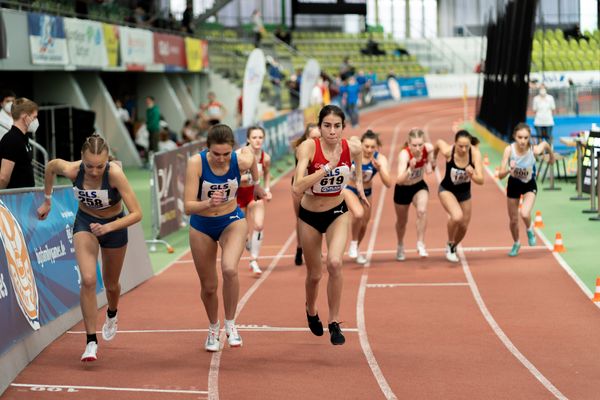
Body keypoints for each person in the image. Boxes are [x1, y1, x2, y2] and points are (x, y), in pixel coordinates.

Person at [36, 134, 142, 361]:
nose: (94, 171)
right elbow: (51, 166)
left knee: (112, 285)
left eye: (100, 166)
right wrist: (47, 198)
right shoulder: (74, 170)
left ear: (108, 161)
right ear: (82, 160)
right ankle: (91, 341)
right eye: (89, 166)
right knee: (88, 279)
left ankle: (112, 313)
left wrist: (110, 227)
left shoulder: (115, 174)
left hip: (114, 226)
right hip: (85, 223)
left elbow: (137, 214)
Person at [184, 124, 267, 352]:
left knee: (230, 269)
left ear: (233, 150)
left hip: (231, 219)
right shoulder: (196, 163)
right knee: (209, 286)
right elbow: (187, 206)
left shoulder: (241, 158)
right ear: (207, 149)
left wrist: (257, 186)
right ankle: (213, 327)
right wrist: (208, 203)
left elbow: (253, 161)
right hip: (201, 225)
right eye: (216, 154)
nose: (221, 159)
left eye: (226, 154)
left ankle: (231, 324)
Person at [292, 105, 368, 345]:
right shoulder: (309, 147)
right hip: (310, 215)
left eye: (337, 126)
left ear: (343, 128)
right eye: (327, 126)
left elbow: (358, 158)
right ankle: (311, 309)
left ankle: (334, 322)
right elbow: (296, 187)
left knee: (335, 263)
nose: (332, 131)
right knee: (315, 274)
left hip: (337, 212)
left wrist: (359, 185)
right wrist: (327, 167)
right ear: (320, 127)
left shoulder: (351, 146)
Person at [498, 123, 553, 256]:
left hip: (529, 184)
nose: (522, 141)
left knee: (524, 213)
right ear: (514, 137)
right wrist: (508, 170)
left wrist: (551, 156)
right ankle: (516, 243)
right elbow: (500, 175)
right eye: (520, 137)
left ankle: (529, 229)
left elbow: (545, 144)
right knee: (513, 220)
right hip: (513, 184)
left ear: (529, 138)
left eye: (525, 138)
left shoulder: (534, 150)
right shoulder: (509, 150)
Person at [434, 130, 484, 263]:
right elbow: (438, 143)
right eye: (460, 146)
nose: (463, 149)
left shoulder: (475, 154)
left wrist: (472, 175)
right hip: (447, 189)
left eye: (466, 146)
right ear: (455, 143)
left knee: (463, 226)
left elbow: (481, 180)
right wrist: (433, 159)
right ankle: (450, 244)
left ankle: (453, 246)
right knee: (457, 216)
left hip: (464, 193)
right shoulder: (448, 152)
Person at [346, 130, 392, 264]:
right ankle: (353, 243)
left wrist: (380, 169)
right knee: (358, 215)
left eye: (372, 147)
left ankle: (356, 247)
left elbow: (388, 183)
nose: (369, 150)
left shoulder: (379, 158)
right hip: (350, 189)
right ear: (361, 144)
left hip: (366, 193)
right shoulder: (353, 153)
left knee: (364, 224)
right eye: (366, 146)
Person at [393, 128, 434, 261]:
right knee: (402, 222)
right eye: (414, 145)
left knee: (422, 211)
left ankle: (420, 243)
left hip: (418, 186)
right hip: (402, 189)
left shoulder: (428, 149)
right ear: (409, 144)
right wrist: (410, 169)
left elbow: (429, 171)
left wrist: (431, 160)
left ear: (424, 143)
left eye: (420, 145)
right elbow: (399, 180)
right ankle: (400, 245)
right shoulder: (404, 155)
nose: (417, 148)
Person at [236, 126, 272, 276]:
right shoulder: (238, 155)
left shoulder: (266, 157)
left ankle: (254, 260)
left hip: (254, 194)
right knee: (243, 233)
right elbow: (229, 177)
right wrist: (243, 178)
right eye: (254, 137)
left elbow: (268, 174)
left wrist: (267, 190)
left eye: (260, 137)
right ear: (248, 139)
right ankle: (249, 244)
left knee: (258, 225)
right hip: (238, 195)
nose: (257, 140)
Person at [291, 123, 321, 266]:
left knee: (317, 217)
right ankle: (299, 247)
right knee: (301, 219)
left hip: (316, 184)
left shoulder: (323, 148)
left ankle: (316, 248)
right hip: (301, 184)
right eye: (313, 137)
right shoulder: (301, 149)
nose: (316, 140)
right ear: (307, 137)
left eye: (318, 137)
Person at [0, 98, 37, 189]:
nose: (36, 121)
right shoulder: (12, 140)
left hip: (24, 197)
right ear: (25, 117)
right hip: (15, 199)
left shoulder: (23, 138)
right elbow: (3, 178)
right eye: (34, 117)